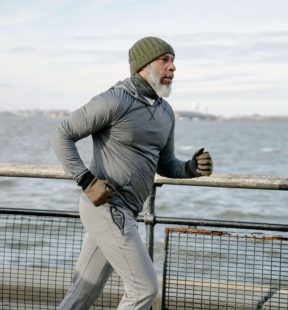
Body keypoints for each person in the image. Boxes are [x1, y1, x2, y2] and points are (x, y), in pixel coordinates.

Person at [50, 36, 213, 309]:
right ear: (143, 65)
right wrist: (86, 180)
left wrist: (190, 168)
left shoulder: (166, 112)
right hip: (105, 207)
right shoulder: (114, 100)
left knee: (81, 295)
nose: (172, 67)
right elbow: (61, 134)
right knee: (144, 290)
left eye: (173, 61)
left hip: (127, 212)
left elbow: (165, 163)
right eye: (165, 60)